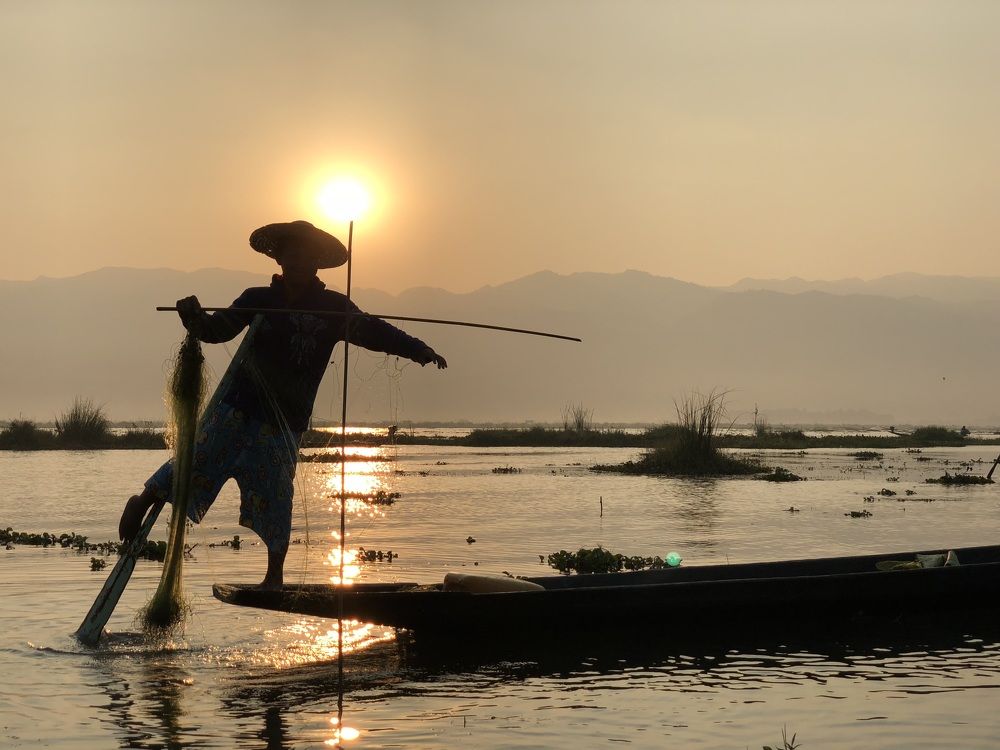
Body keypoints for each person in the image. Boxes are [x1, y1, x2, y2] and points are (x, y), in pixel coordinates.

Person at [119, 220, 447, 588]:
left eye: (307, 255)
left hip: (284, 422)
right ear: (280, 259)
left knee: (277, 495)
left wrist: (418, 349)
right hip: (238, 407)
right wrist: (193, 318)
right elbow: (216, 330)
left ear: (317, 263)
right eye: (292, 253)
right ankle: (142, 500)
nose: (299, 261)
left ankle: (274, 576)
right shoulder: (258, 298)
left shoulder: (333, 308)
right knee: (197, 459)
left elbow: (375, 331)